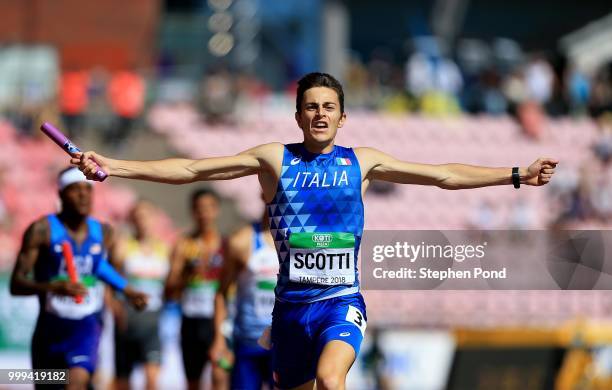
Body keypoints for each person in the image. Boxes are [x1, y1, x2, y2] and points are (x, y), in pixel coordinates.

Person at [73, 72, 558, 389]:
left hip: (340, 302)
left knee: (332, 380)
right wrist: (113, 165)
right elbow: (193, 169)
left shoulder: (361, 162)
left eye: (329, 106)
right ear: (299, 115)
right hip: (289, 313)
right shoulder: (273, 159)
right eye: (311, 106)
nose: (321, 113)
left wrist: (515, 174)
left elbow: (443, 174)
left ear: (342, 117)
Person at [9, 167, 148, 390]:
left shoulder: (103, 232)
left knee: (75, 383)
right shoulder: (42, 230)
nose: (83, 195)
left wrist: (127, 290)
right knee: (51, 384)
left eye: (88, 189)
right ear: (61, 194)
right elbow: (16, 284)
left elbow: (99, 267)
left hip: (86, 327)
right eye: (75, 189)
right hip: (49, 331)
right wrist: (52, 287)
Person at [164, 189, 229, 390]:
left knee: (220, 375)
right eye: (199, 209)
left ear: (216, 210)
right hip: (191, 320)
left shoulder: (227, 244)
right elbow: (169, 290)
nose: (204, 214)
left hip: (219, 322)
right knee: (193, 381)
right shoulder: (184, 244)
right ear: (193, 212)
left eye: (209, 208)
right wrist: (186, 273)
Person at [211, 199, 277, 389]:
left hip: (285, 341)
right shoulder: (241, 241)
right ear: (263, 195)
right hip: (249, 340)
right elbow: (221, 293)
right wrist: (219, 337)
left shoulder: (300, 239)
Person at [109, 200, 170, 390]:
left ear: (153, 219)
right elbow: (108, 281)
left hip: (152, 323)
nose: (141, 221)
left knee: (152, 380)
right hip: (128, 322)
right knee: (122, 382)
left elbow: (171, 285)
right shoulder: (122, 247)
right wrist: (115, 308)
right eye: (137, 217)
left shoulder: (164, 249)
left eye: (145, 216)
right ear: (131, 220)